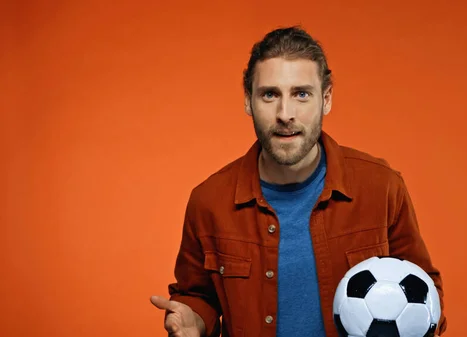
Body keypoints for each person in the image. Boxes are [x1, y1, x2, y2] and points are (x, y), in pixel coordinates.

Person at [150, 26, 447, 337]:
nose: (285, 114)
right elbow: (198, 296)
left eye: (301, 94)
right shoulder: (209, 201)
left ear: (327, 99)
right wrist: (195, 320)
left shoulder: (382, 186)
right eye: (269, 94)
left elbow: (423, 288)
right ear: (248, 101)